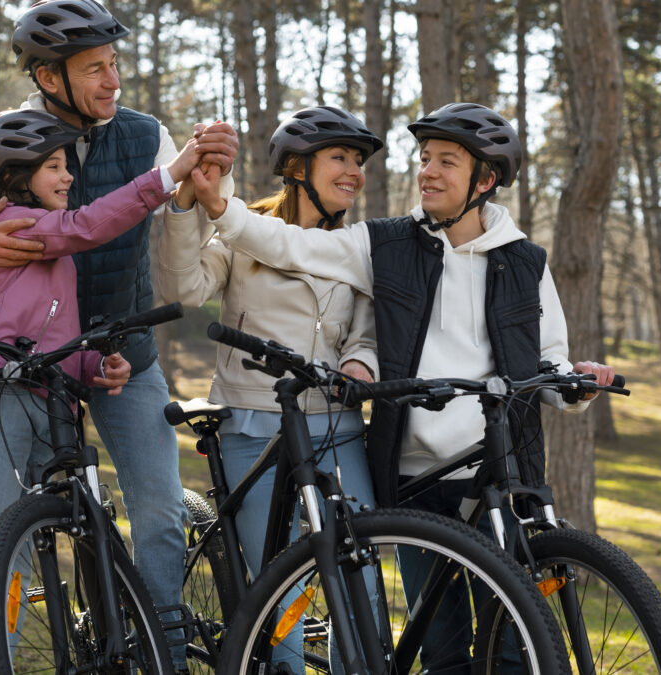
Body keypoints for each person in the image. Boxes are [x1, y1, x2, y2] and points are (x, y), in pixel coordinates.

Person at [186, 102, 614, 672]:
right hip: (415, 480)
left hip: (498, 471)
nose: (427, 172)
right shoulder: (384, 245)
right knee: (440, 646)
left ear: (485, 181)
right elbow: (293, 245)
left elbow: (551, 368)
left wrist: (577, 382)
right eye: (425, 159)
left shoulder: (527, 263)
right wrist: (223, 209)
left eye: (447, 162)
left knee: (511, 646)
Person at [0, 1, 237, 671]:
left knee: (159, 515)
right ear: (47, 76)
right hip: (26, 370)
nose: (111, 80)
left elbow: (179, 280)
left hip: (121, 358)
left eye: (114, 64)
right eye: (94, 68)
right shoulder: (4, 142)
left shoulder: (146, 136)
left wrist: (189, 198)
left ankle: (158, 659)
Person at [157, 106, 383, 671]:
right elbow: (183, 286)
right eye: (340, 157)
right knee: (277, 575)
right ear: (298, 167)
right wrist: (186, 206)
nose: (354, 171)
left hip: (334, 423)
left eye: (359, 161)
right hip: (252, 421)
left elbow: (367, 337)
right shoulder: (244, 229)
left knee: (363, 562)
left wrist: (361, 368)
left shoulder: (357, 247)